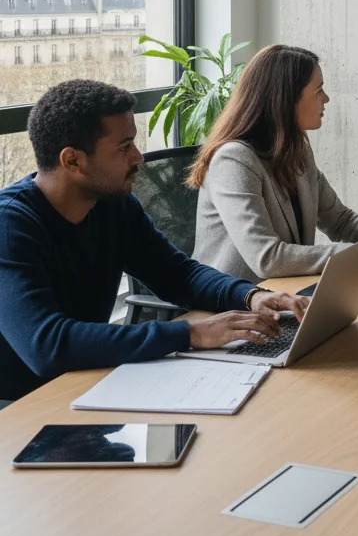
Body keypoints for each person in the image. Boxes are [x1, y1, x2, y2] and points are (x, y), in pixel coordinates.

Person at [0, 80, 308, 405]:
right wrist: (192, 333)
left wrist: (251, 296)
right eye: (124, 147)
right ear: (73, 161)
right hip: (19, 410)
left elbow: (178, 274)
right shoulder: (10, 226)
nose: (138, 157)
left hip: (87, 384)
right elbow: (46, 345)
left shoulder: (112, 205)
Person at [190, 45, 358, 284]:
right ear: (285, 101)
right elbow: (267, 259)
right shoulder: (234, 160)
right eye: (318, 91)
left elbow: (340, 220)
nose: (326, 99)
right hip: (231, 311)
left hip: (284, 296)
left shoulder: (295, 147)